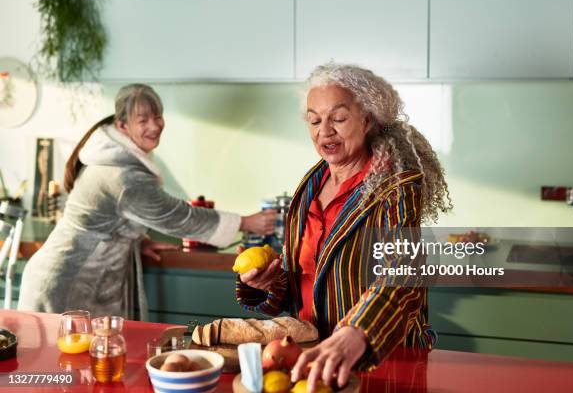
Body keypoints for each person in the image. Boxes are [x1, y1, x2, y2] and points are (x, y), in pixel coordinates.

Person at [236, 63, 452, 390]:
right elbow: (305, 279)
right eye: (314, 120)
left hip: (377, 361)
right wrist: (269, 283)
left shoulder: (396, 186)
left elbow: (403, 275)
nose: (325, 130)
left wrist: (357, 333)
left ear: (367, 120)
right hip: (310, 359)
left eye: (338, 118)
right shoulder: (310, 184)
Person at [18, 84, 275, 320]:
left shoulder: (115, 157)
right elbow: (177, 216)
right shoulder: (123, 175)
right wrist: (246, 222)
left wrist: (136, 239)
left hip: (74, 279)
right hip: (64, 284)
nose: (154, 126)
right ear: (122, 126)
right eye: (143, 120)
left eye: (158, 117)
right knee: (65, 368)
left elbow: (109, 218)